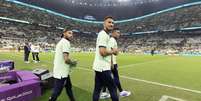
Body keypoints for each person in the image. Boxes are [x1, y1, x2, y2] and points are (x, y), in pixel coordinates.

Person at [92, 16, 119, 101]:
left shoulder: (105, 35)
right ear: (104, 24)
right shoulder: (103, 35)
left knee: (97, 89)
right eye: (109, 22)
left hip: (98, 67)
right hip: (103, 67)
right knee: (113, 89)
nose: (111, 24)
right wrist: (113, 51)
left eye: (112, 23)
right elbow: (102, 52)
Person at [100, 28, 131, 99]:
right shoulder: (112, 40)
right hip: (111, 63)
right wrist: (112, 63)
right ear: (113, 33)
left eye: (119, 33)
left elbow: (114, 52)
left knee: (107, 78)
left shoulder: (113, 40)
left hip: (111, 63)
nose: (119, 34)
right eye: (117, 32)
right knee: (115, 77)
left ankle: (104, 93)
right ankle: (121, 92)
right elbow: (110, 51)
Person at [49, 29, 77, 101]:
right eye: (69, 33)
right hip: (62, 72)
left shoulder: (61, 42)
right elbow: (66, 59)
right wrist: (73, 63)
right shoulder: (66, 42)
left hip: (62, 71)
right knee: (57, 92)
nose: (71, 35)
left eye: (72, 33)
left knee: (68, 87)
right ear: (64, 33)